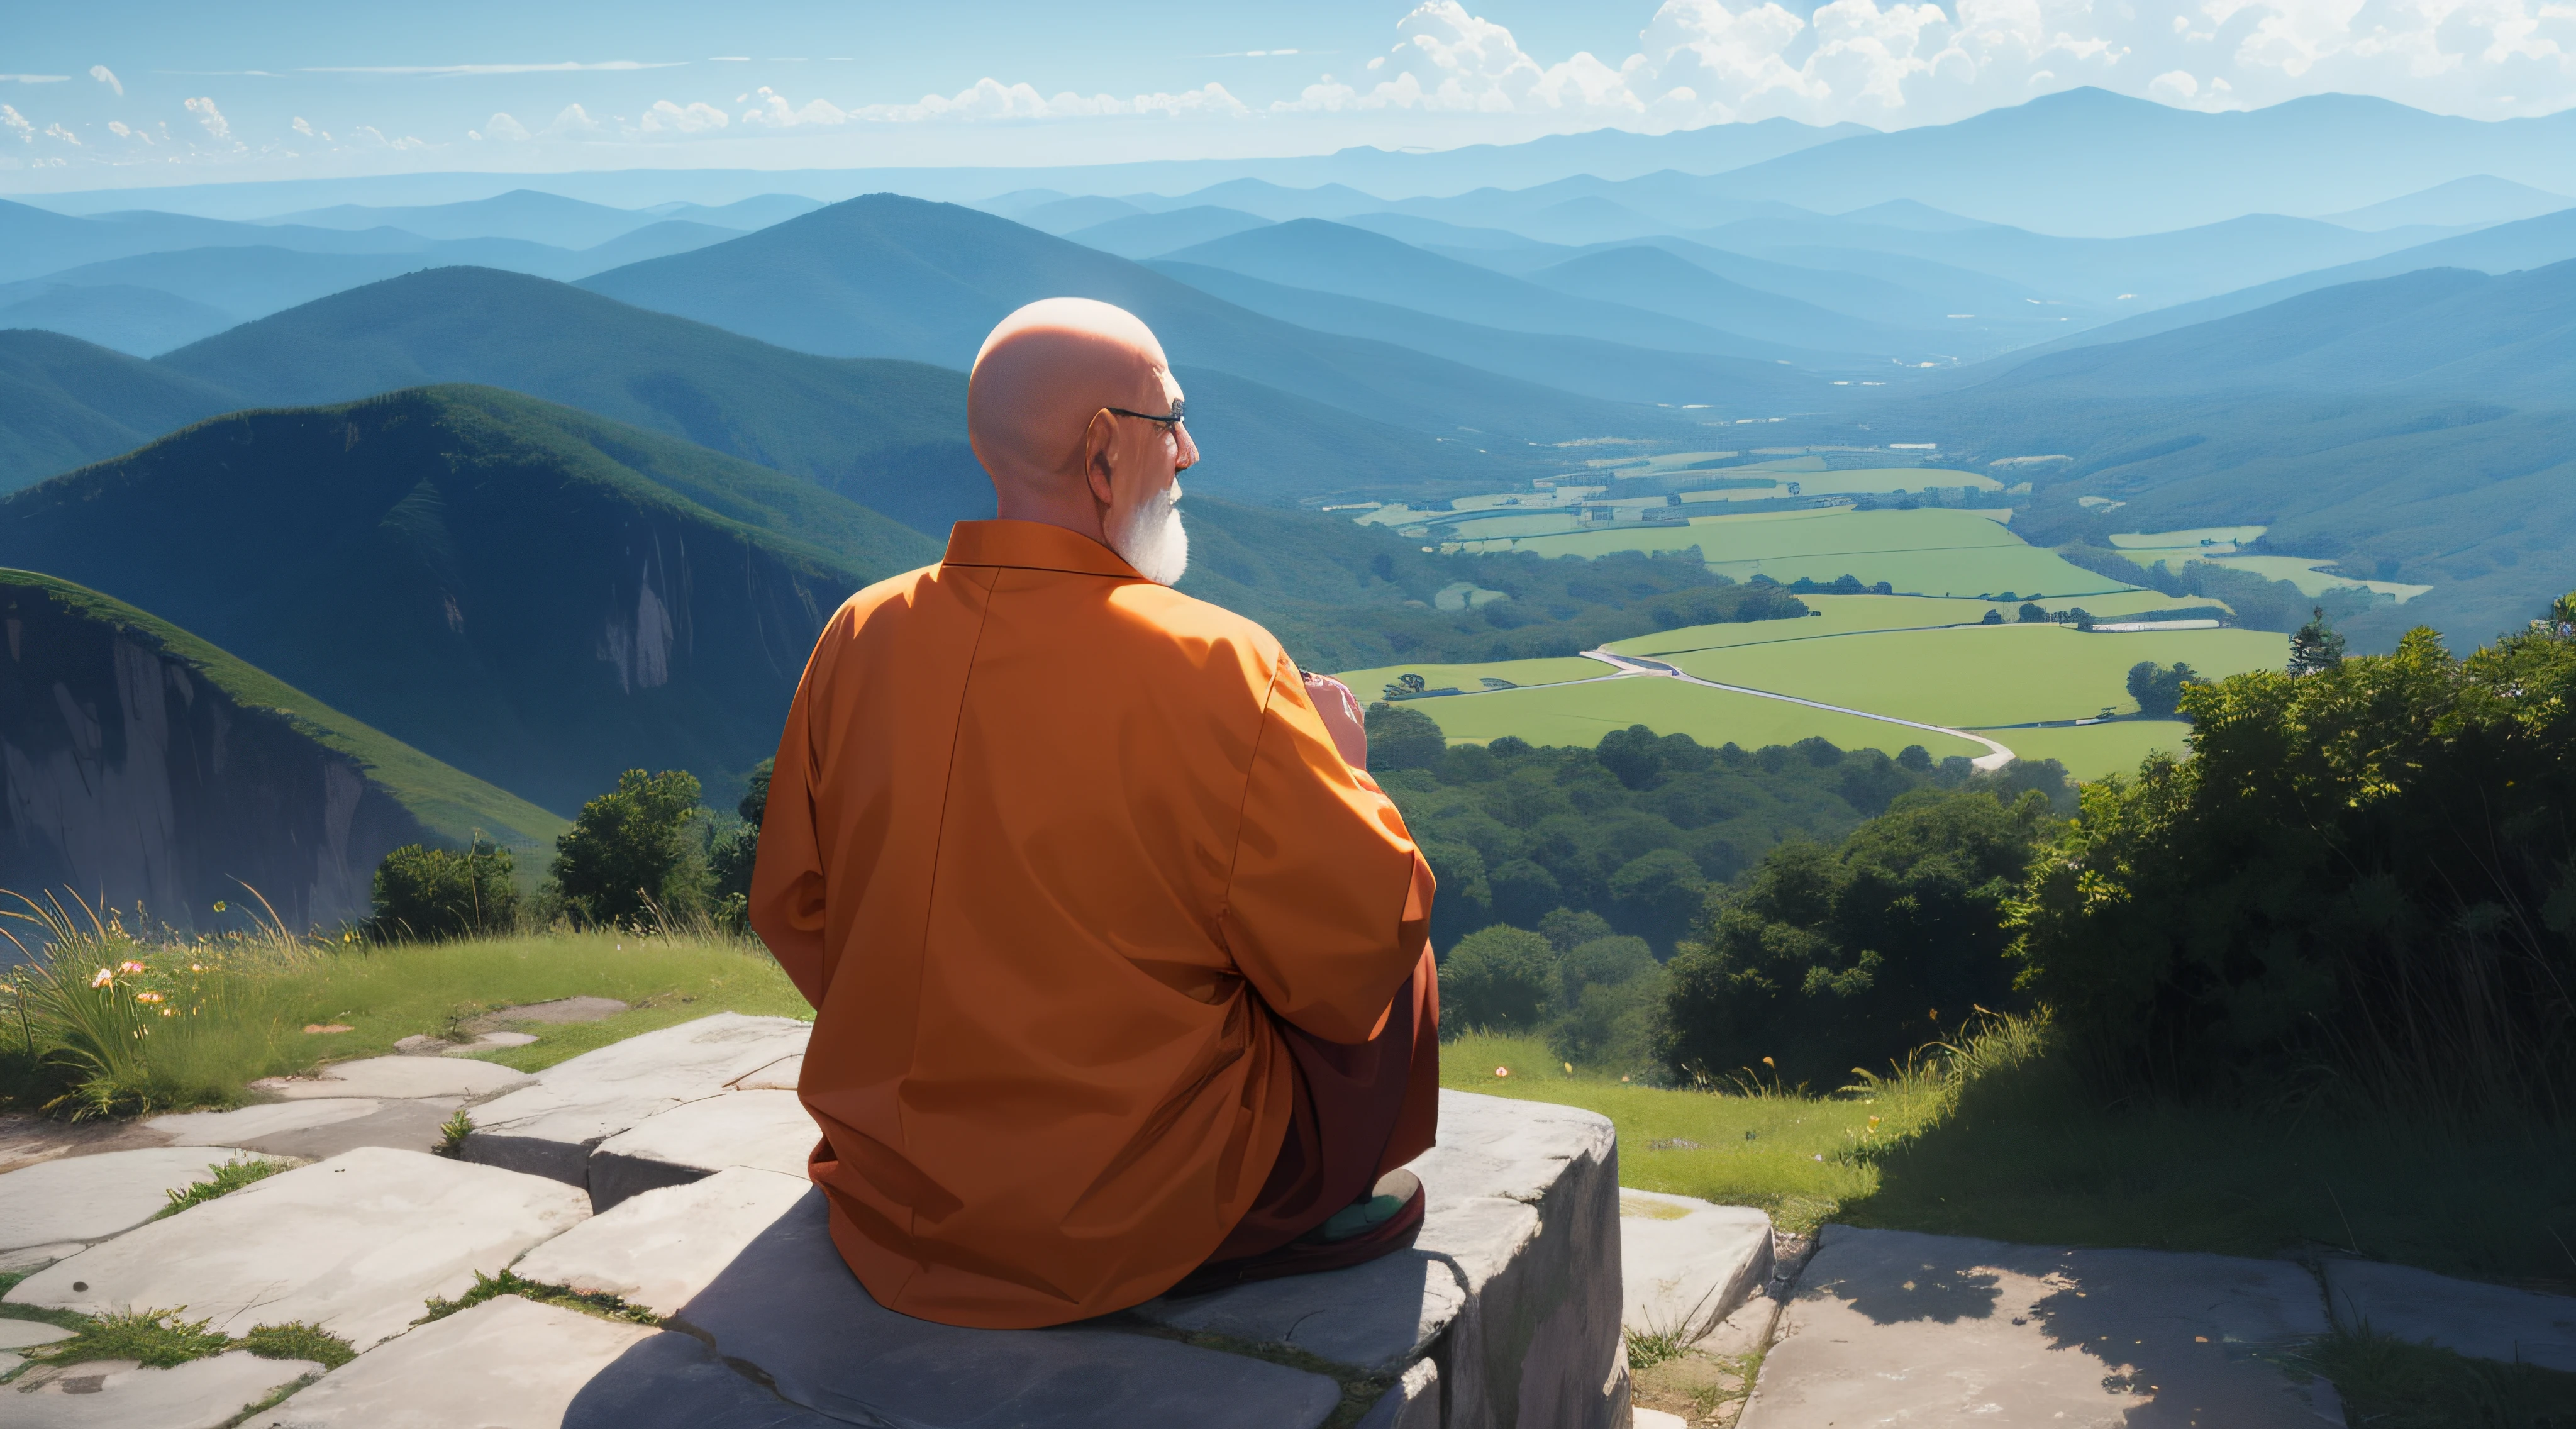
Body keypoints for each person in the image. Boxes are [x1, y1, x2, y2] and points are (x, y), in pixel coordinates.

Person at [748, 297, 1440, 1330]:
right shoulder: (1217, 660)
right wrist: (1353, 777)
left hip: (893, 1181)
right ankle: (1272, 1223)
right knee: (1395, 938)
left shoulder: (860, 632)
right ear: (1104, 448)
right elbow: (1356, 949)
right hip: (1121, 1207)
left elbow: (797, 909)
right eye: (1172, 421)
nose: (1191, 452)